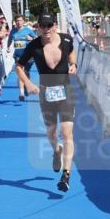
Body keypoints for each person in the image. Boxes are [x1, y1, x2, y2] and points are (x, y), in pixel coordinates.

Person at [15, 13, 78, 193]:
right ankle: (56, 151)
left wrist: (73, 65)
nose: (46, 28)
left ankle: (66, 175)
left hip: (66, 91)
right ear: (38, 27)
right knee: (51, 133)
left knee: (67, 134)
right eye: (43, 25)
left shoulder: (66, 40)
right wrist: (28, 83)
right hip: (46, 94)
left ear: (55, 25)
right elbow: (19, 66)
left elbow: (72, 52)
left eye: (49, 25)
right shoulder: (33, 46)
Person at [8, 14, 38, 100]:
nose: (19, 22)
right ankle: (21, 93)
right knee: (21, 72)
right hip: (18, 56)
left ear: (23, 21)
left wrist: (31, 39)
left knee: (26, 73)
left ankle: (26, 86)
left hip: (28, 55)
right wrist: (8, 47)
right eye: (17, 21)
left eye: (20, 20)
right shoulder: (13, 31)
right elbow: (10, 39)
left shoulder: (28, 30)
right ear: (15, 22)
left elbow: (37, 40)